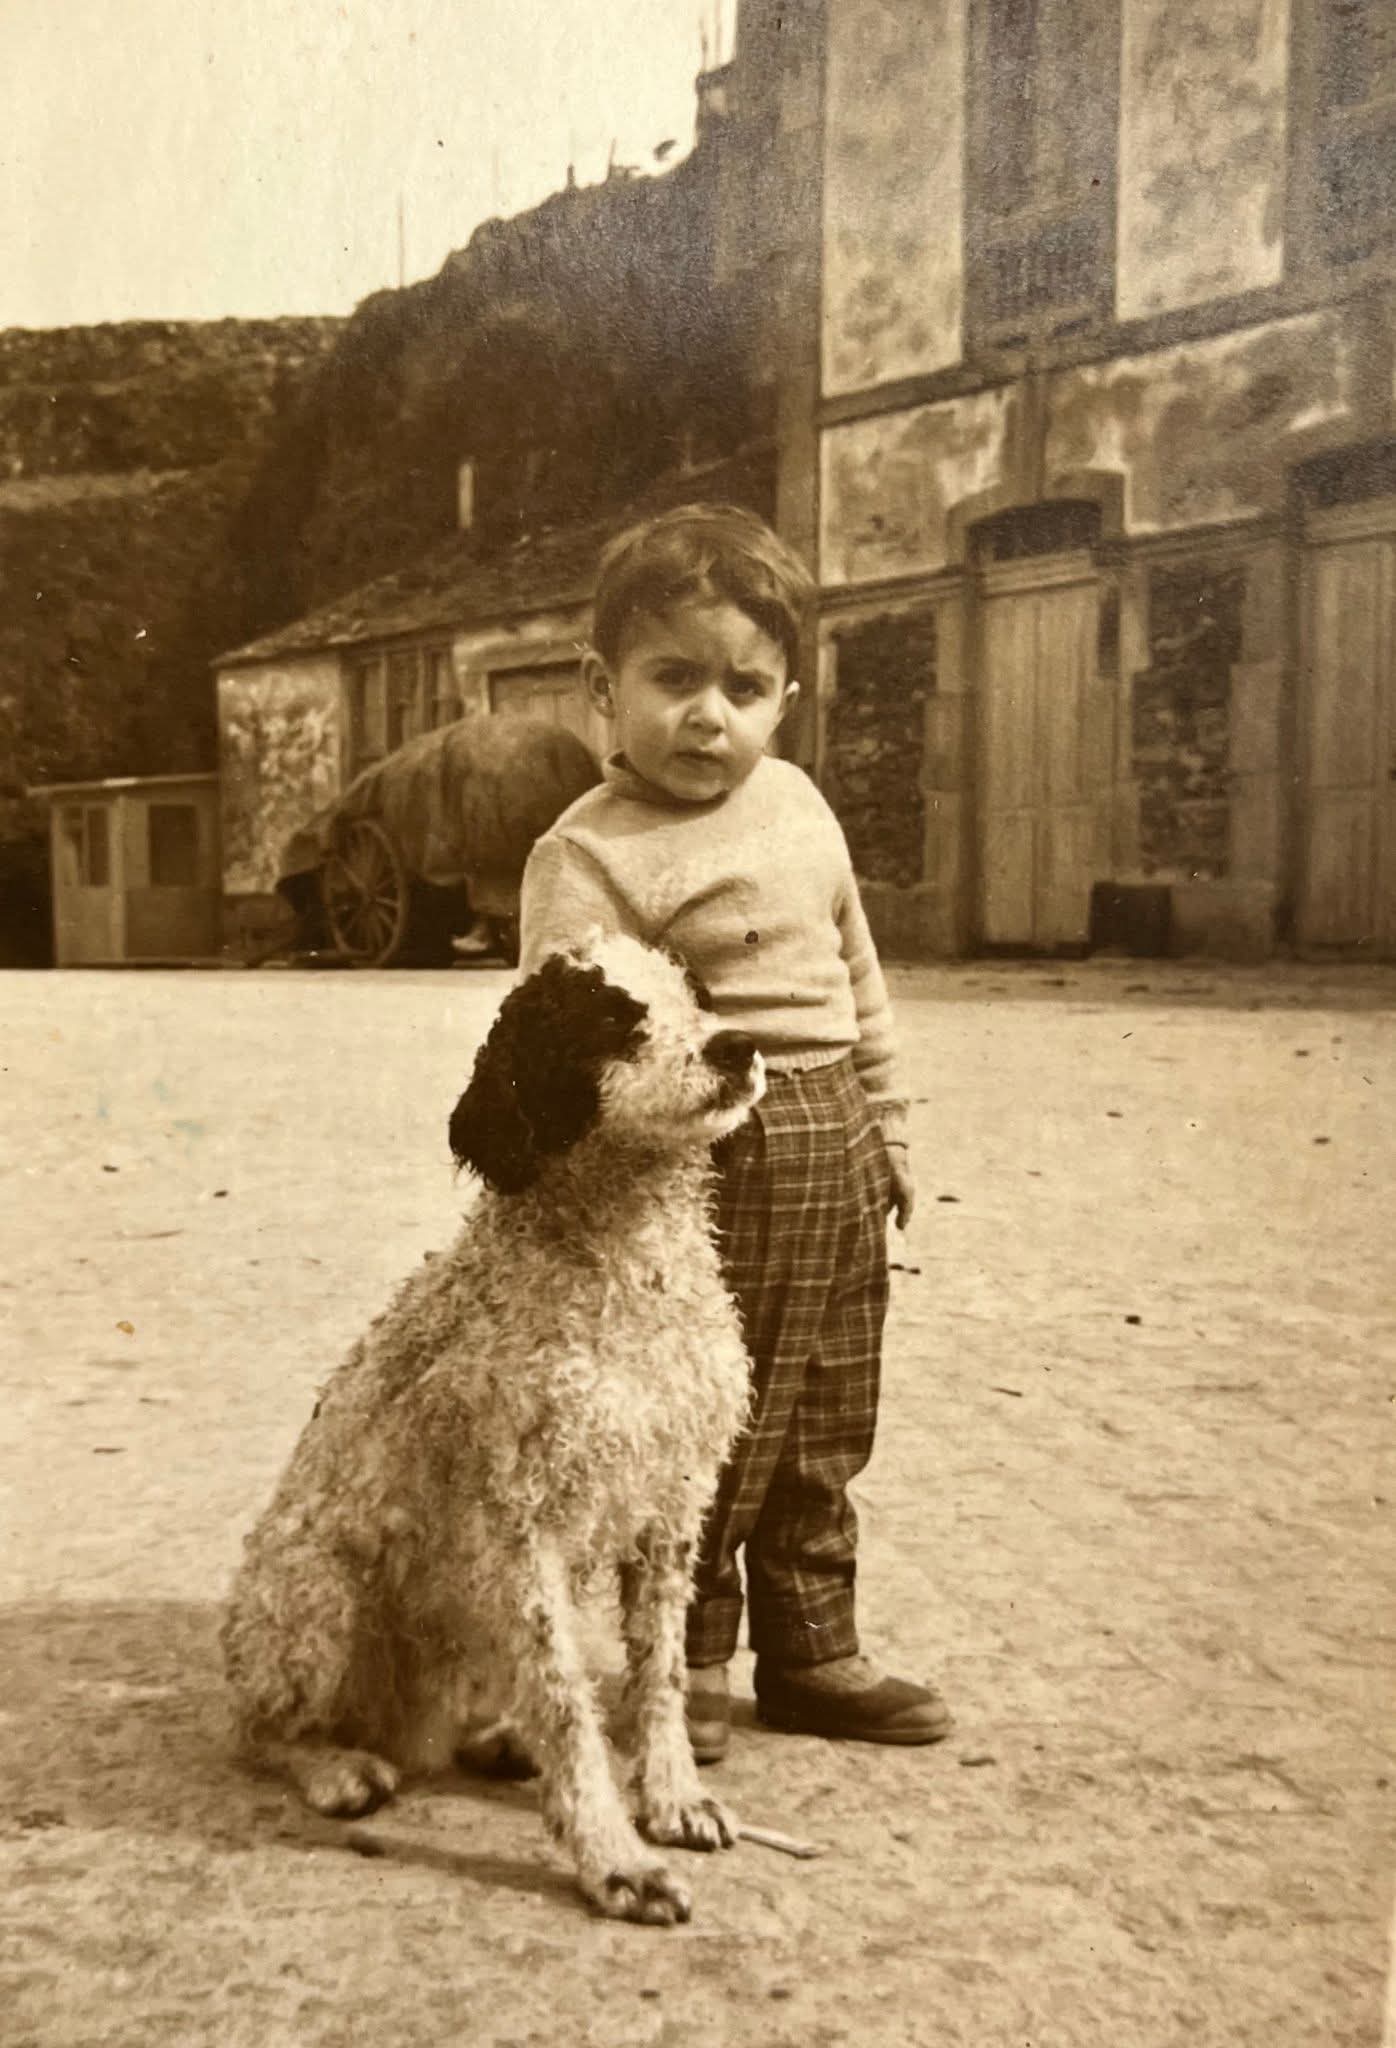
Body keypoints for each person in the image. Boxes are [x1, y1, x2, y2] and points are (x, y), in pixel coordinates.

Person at [517, 502, 951, 1761]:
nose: (710, 715)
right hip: (704, 1162)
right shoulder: (587, 853)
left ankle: (813, 1647)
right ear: (603, 687)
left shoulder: (798, 803)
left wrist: (889, 1125)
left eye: (745, 688)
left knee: (826, 1408)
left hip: (836, 1133)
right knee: (711, 1415)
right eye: (674, 678)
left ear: (786, 702)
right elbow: (565, 1048)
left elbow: (855, 967)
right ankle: (685, 1658)